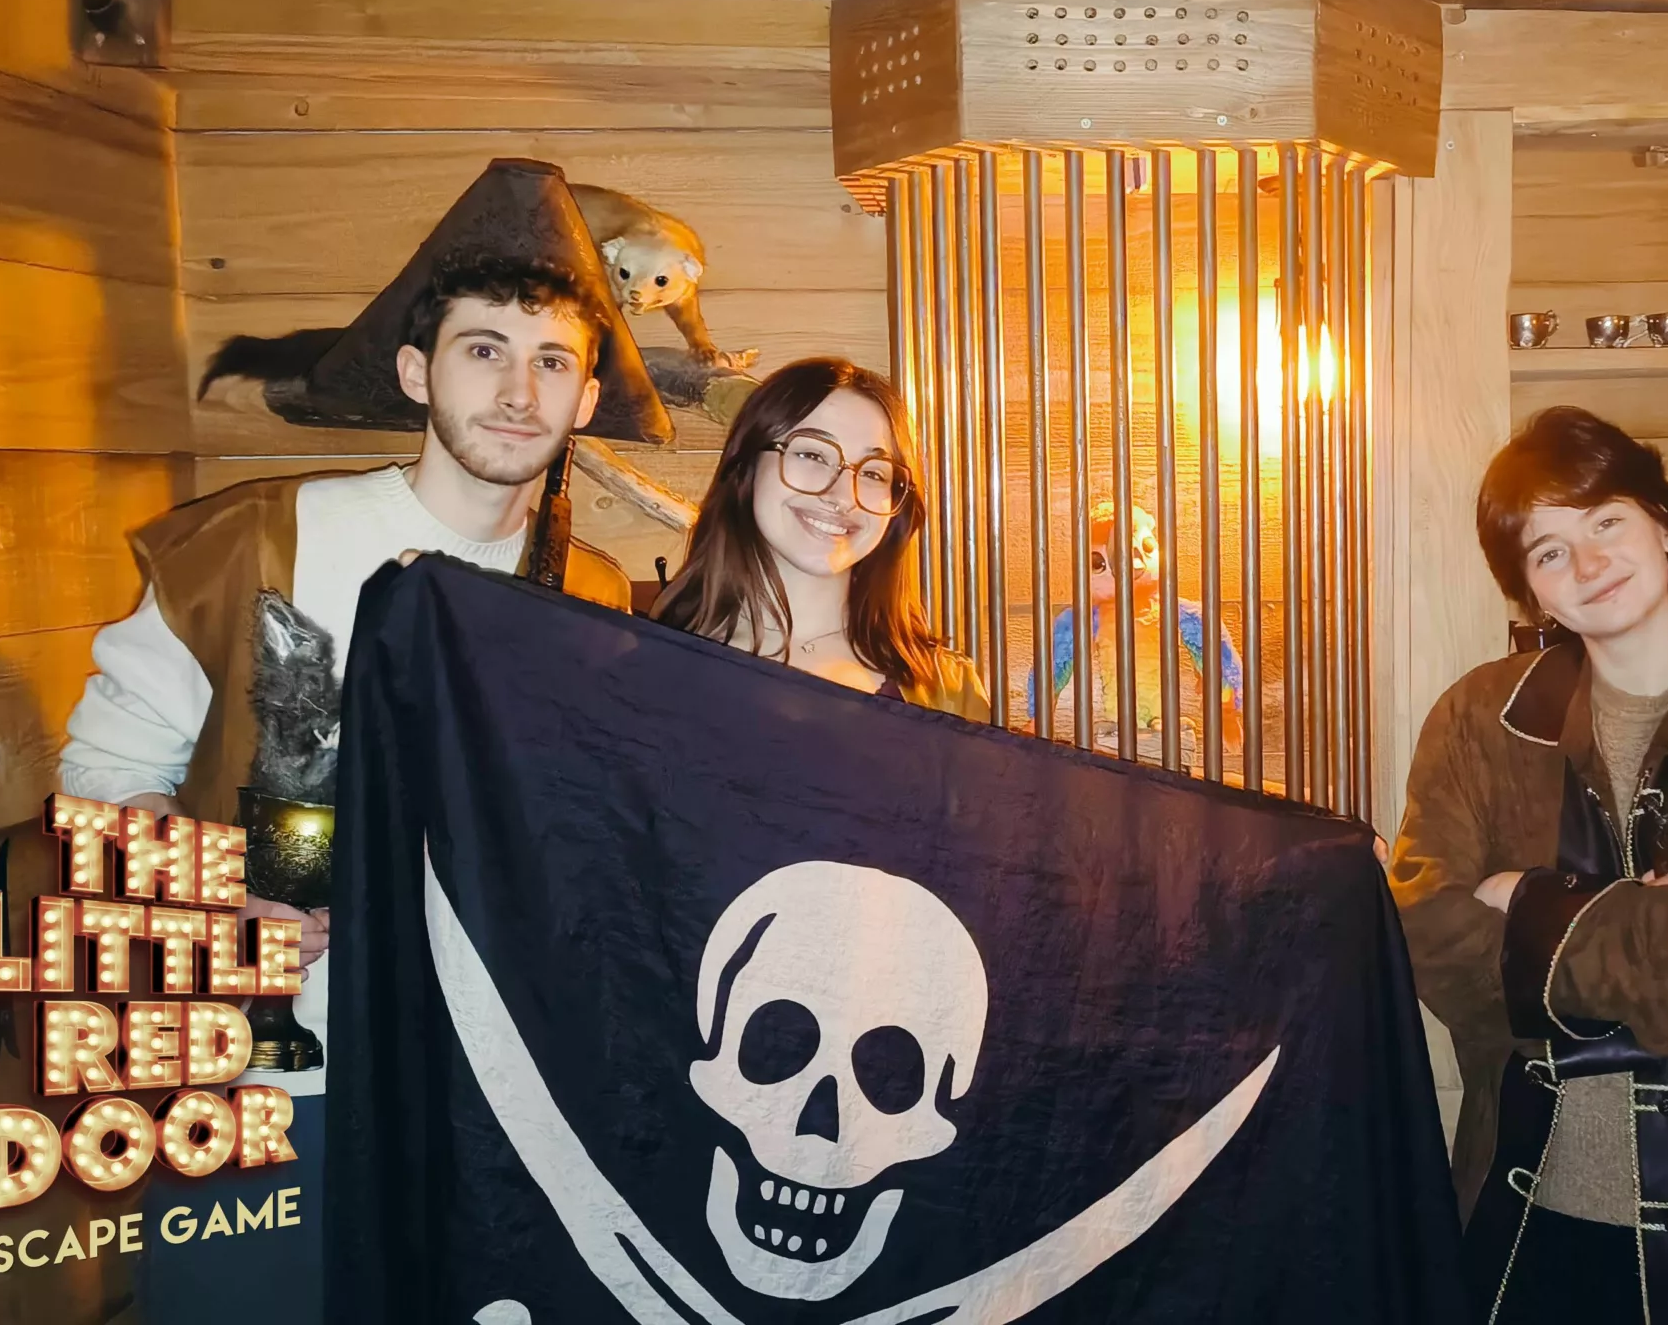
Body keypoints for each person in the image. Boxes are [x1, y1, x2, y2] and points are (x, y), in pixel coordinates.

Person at [58, 159, 669, 1325]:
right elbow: (100, 782)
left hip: (484, 1108)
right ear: (415, 371)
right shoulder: (259, 543)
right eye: (484, 349)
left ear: (588, 396)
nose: (518, 391)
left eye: (553, 361)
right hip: (265, 1088)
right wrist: (212, 898)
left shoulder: (590, 596)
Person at [1389, 407, 1668, 1325]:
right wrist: (1649, 925)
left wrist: (1523, 902)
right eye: (1549, 551)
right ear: (1532, 595)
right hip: (1521, 1212)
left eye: (1607, 521)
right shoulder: (1478, 718)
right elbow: (1426, 933)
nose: (1589, 562)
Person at [654, 356, 989, 720]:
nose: (843, 496)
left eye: (874, 474)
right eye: (812, 454)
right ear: (746, 467)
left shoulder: (949, 691)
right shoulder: (650, 670)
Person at [1026, 500, 1246, 755]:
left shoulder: (1175, 611)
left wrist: (1225, 706)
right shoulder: (1084, 620)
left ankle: (1156, 719)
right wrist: (1039, 717)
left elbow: (1215, 649)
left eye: (1147, 547)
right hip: (1119, 724)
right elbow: (1055, 661)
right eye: (1098, 563)